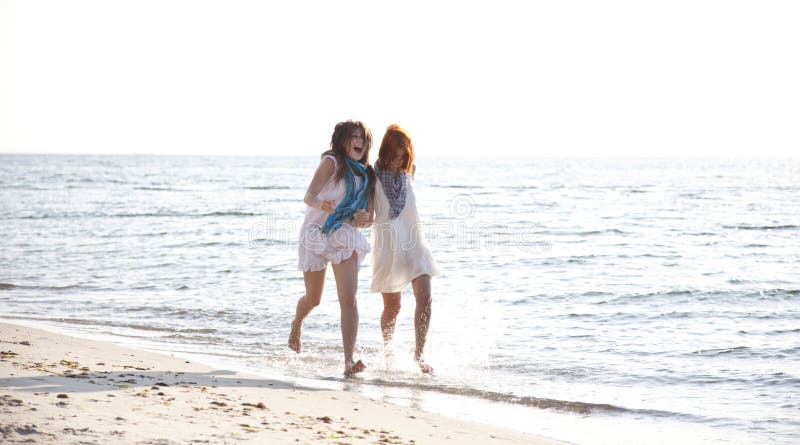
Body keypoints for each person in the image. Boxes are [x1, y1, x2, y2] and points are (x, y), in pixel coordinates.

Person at [289, 120, 375, 376]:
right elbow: (309, 196)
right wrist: (321, 204)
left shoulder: (368, 175)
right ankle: (296, 324)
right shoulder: (332, 164)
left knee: (348, 299)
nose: (358, 141)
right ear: (343, 140)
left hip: (343, 235)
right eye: (353, 136)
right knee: (314, 299)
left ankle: (348, 362)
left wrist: (364, 220)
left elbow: (370, 216)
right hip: (316, 233)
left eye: (362, 137)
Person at [371, 124, 440, 374]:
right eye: (395, 154)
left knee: (425, 297)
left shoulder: (409, 172)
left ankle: (419, 355)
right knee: (393, 307)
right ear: (386, 151)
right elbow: (370, 212)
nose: (400, 158)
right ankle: (388, 352)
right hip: (388, 248)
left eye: (404, 153)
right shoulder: (373, 174)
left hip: (414, 244)